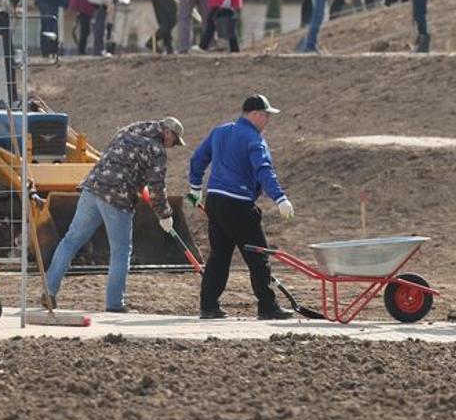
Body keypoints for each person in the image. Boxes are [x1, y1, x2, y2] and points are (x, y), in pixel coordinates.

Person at [43, 117, 187, 312]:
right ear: (168, 133)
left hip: (92, 189)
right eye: (174, 141)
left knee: (71, 241)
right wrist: (165, 215)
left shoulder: (128, 130)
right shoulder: (156, 150)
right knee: (120, 252)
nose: (173, 146)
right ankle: (114, 304)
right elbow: (157, 188)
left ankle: (49, 291)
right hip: (117, 200)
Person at [188, 94, 295, 320]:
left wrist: (195, 187)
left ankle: (208, 305)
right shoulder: (254, 139)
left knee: (219, 255)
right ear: (254, 114)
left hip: (215, 200)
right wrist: (280, 197)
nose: (268, 120)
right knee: (259, 256)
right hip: (237, 202)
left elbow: (198, 158)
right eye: (266, 115)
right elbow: (264, 170)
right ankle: (268, 306)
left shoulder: (219, 132)